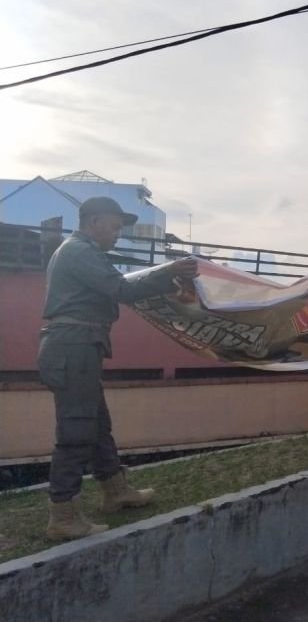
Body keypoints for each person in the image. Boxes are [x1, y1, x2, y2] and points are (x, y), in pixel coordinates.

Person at [38, 196, 198, 540]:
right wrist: (167, 273)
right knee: (76, 430)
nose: (116, 235)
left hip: (79, 345)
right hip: (74, 346)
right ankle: (62, 515)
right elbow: (121, 289)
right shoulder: (80, 251)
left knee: (96, 424)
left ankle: (116, 491)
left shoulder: (80, 251)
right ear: (93, 222)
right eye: (113, 227)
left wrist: (163, 275)